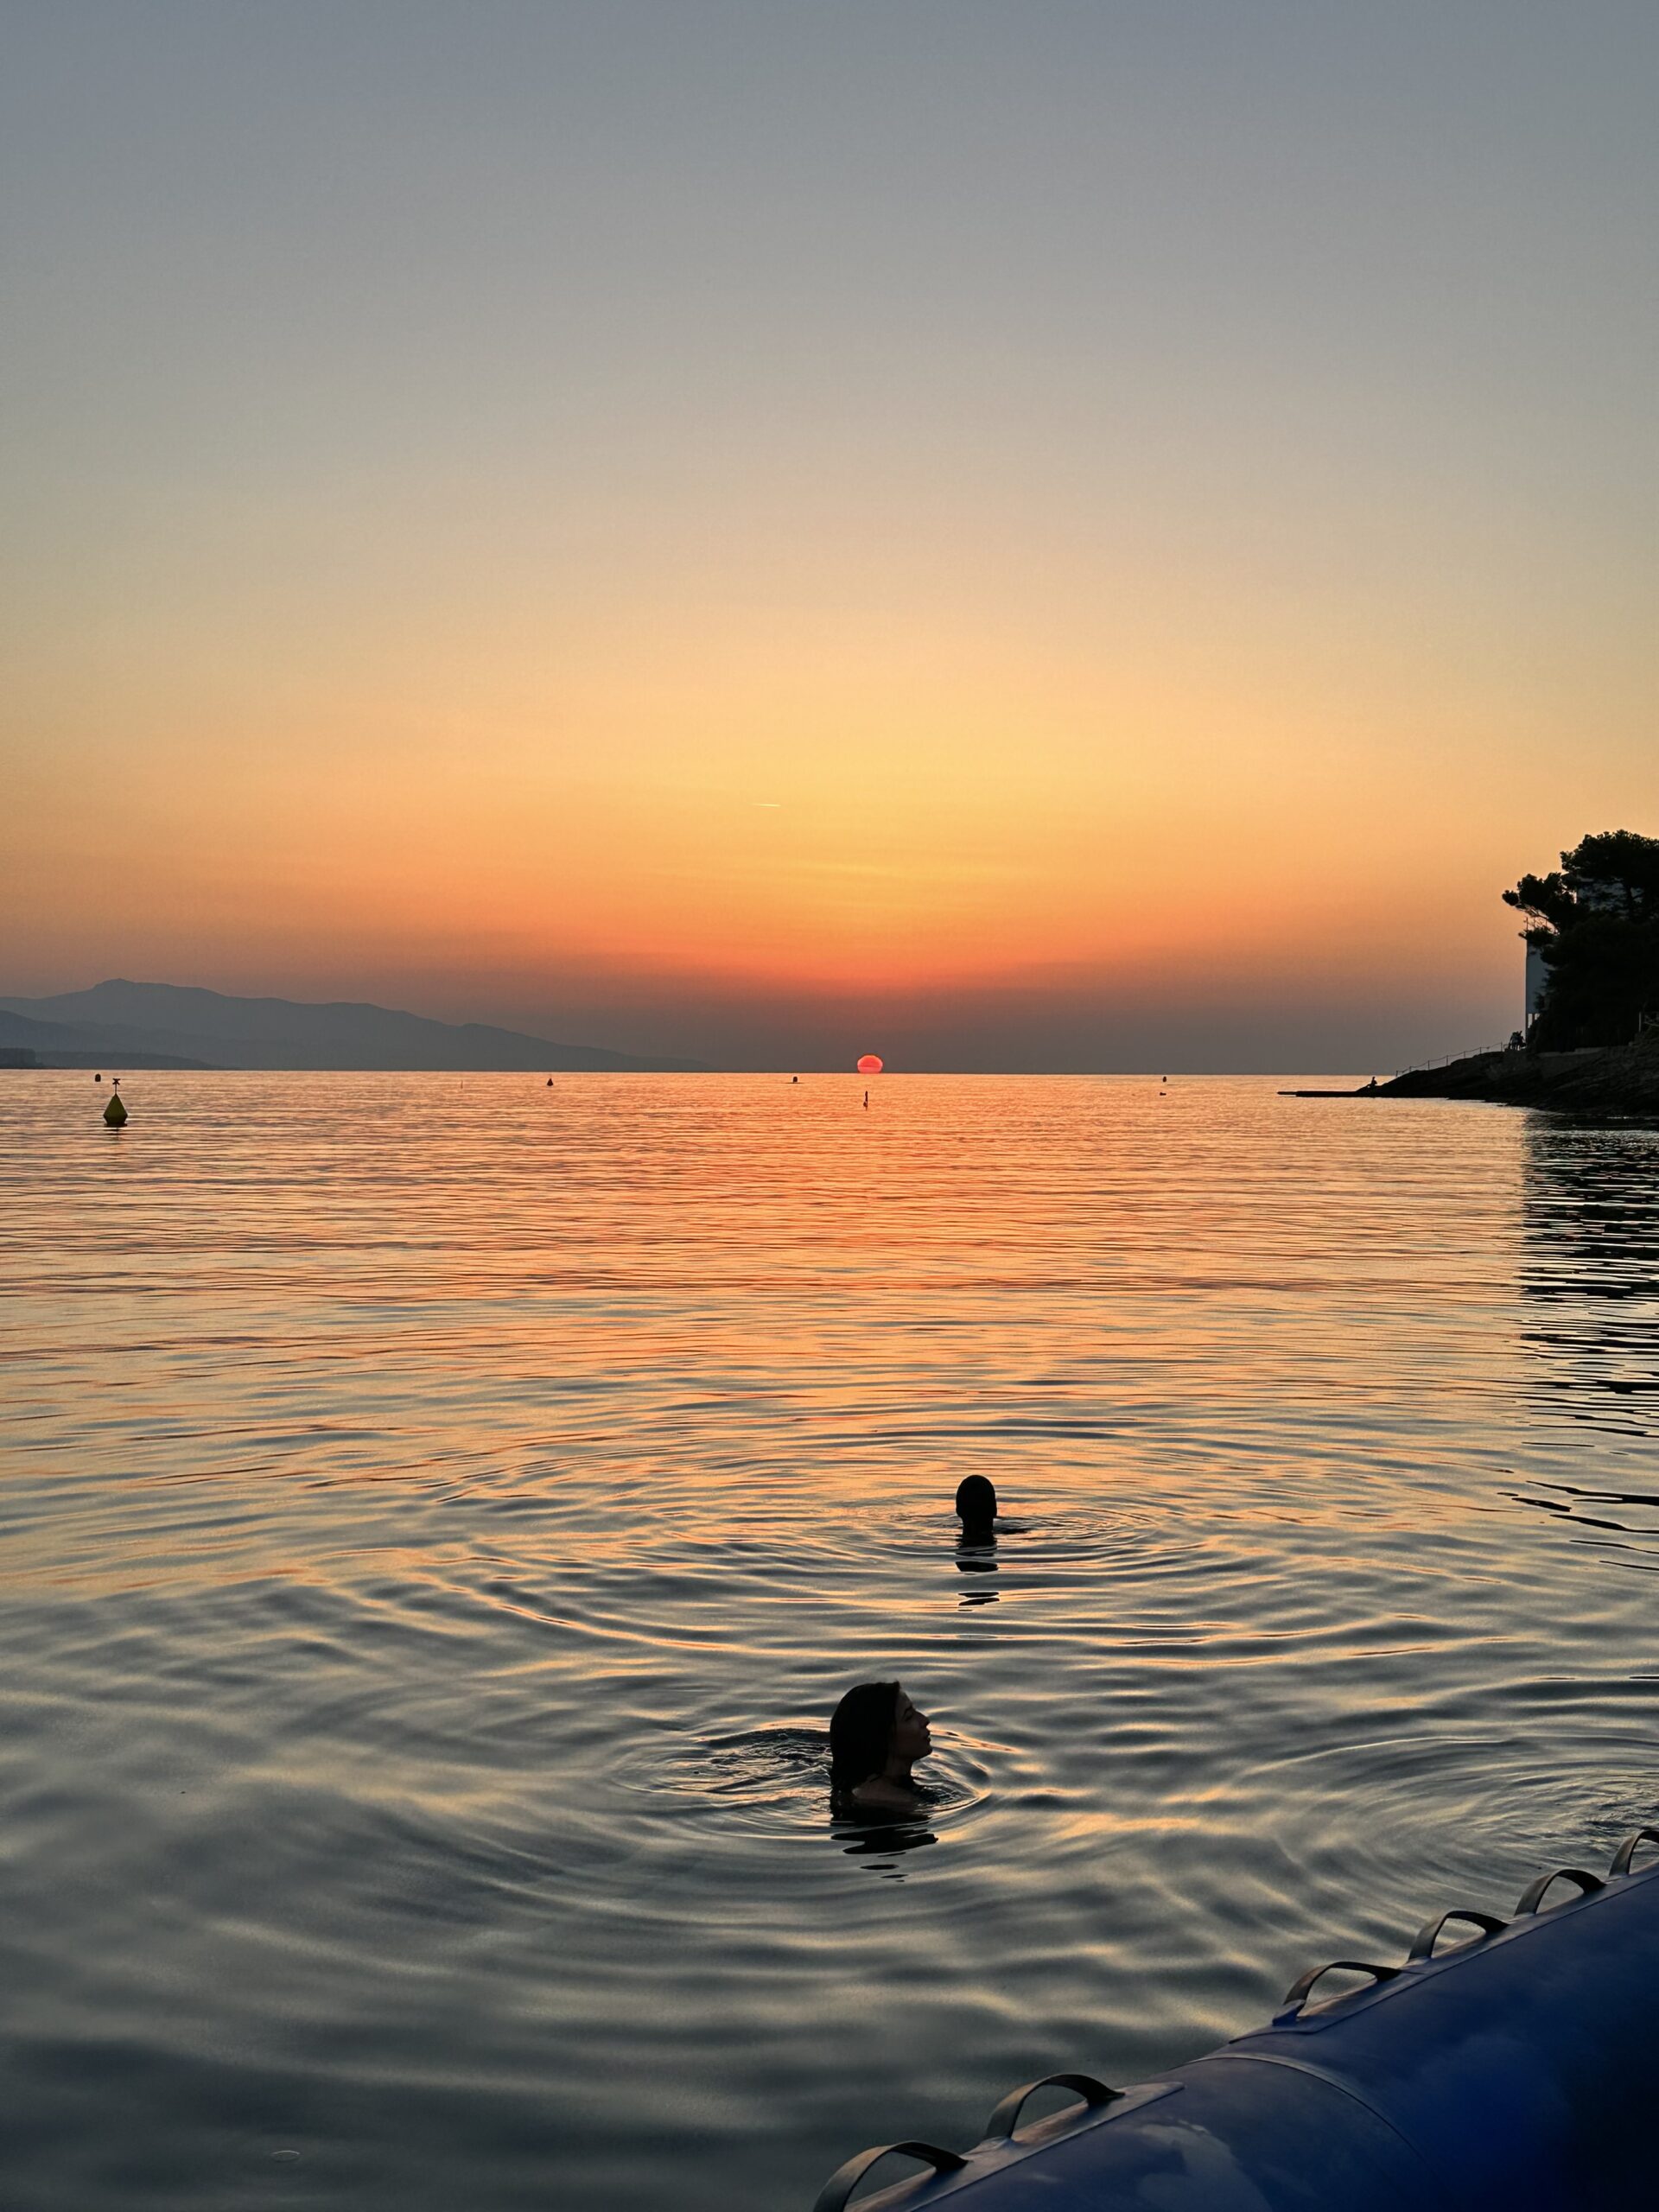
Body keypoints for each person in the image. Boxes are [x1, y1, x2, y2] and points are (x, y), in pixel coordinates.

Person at [829, 1681, 932, 1812]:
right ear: (883, 1738)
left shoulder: (876, 1787)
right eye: (909, 1717)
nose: (924, 1720)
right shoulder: (899, 1803)